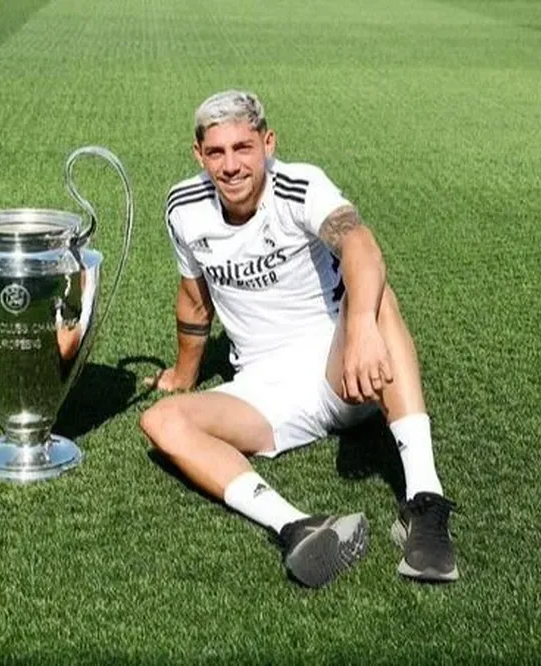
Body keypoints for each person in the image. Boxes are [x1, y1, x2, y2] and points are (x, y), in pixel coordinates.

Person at [139, 90, 458, 588]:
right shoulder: (183, 207)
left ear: (267, 143)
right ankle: (296, 525)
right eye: (216, 152)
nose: (231, 166)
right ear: (198, 155)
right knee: (160, 421)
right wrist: (183, 375)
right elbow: (194, 298)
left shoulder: (298, 184)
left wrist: (358, 332)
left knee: (377, 297)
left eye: (243, 148)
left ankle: (424, 502)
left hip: (344, 367)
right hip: (263, 387)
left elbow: (360, 245)